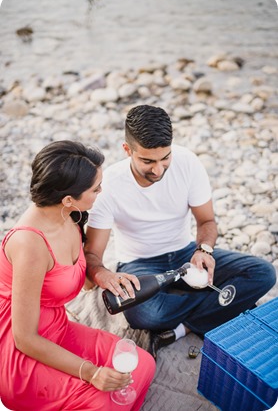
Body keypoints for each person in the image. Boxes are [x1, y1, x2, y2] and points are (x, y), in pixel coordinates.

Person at [84, 105, 276, 359]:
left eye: (165, 158)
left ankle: (183, 327)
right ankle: (220, 302)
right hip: (140, 262)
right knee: (143, 313)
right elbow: (93, 256)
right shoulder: (109, 185)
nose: (159, 170)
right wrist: (103, 274)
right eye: (148, 161)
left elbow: (206, 221)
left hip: (186, 252)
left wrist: (203, 250)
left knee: (263, 273)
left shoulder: (187, 162)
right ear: (127, 150)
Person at [0, 140, 155, 411]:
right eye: (95, 189)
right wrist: (91, 373)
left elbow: (79, 279)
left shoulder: (69, 216)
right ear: (68, 198)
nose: (101, 192)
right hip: (23, 350)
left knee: (142, 365)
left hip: (58, 329)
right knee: (104, 402)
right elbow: (24, 338)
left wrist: (101, 274)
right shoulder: (30, 244)